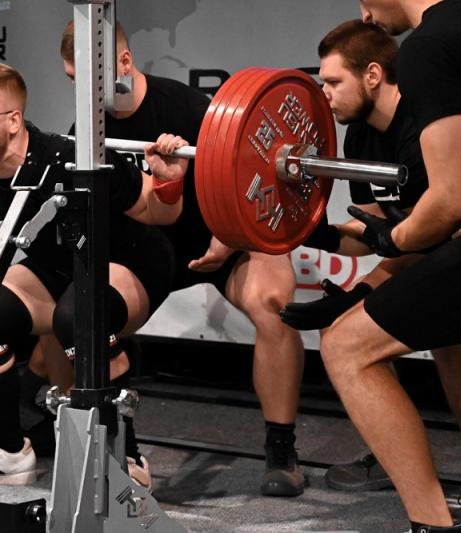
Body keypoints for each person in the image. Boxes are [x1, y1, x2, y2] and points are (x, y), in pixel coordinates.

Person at [58, 20, 308, 497]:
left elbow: (252, 179)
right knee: (81, 313)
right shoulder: (86, 132)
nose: (81, 93)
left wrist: (229, 236)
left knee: (275, 306)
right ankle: (117, 449)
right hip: (151, 251)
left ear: (124, 62)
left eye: (88, 80)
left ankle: (282, 449)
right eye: (73, 81)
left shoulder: (187, 106)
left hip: (222, 236)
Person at [0, 59, 187, 486]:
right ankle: (9, 452)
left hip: (131, 260)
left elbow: (161, 212)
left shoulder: (74, 159)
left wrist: (170, 180)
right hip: (60, 264)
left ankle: (126, 457)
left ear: (13, 121)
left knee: (78, 318)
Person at [280, 18, 461, 494]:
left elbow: (434, 233)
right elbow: (373, 232)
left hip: (456, 249)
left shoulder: (424, 124)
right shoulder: (361, 136)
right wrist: (315, 234)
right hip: (432, 253)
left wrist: (362, 289)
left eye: (333, 82)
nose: (324, 94)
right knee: (375, 334)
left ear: (373, 75)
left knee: (434, 345)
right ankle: (394, 454)